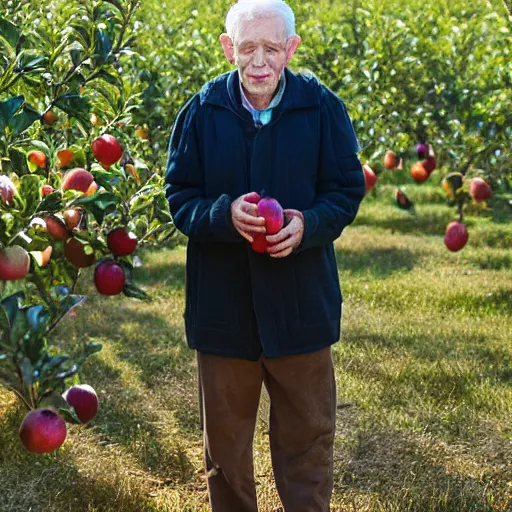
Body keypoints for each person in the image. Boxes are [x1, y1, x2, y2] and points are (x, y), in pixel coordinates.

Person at [164, 1, 365, 510]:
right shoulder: (202, 110)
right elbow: (179, 195)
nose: (259, 62)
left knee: (308, 442)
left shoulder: (321, 108)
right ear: (228, 48)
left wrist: (308, 224)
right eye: (247, 48)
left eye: (271, 49)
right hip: (223, 311)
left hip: (300, 307)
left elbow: (344, 190)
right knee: (225, 452)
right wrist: (222, 215)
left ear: (290, 49)